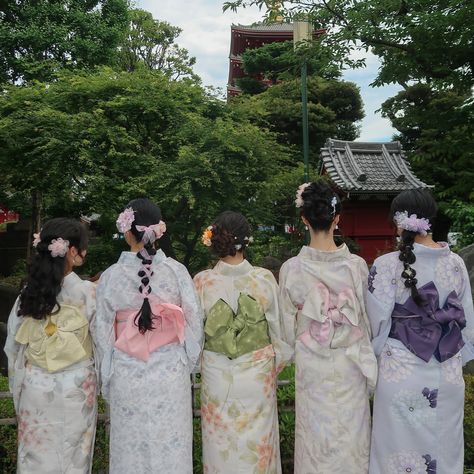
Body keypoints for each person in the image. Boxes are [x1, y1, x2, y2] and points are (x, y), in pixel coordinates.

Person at [367, 189, 474, 474]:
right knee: (444, 455)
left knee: (395, 456)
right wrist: (453, 357)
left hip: (399, 373)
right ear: (431, 219)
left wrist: (376, 355)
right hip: (446, 372)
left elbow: (376, 322)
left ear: (398, 223)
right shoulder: (456, 264)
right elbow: (467, 324)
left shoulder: (386, 265)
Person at [94, 198, 203, 474]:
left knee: (130, 450)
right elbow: (194, 323)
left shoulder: (111, 276)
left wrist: (106, 376)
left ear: (128, 231)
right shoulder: (176, 272)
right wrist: (186, 362)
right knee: (171, 447)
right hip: (170, 375)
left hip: (126, 373)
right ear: (159, 231)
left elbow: (102, 332)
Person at [279, 182, 377, 474]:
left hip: (313, 367)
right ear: (337, 218)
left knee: (315, 442)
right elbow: (368, 323)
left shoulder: (291, 269)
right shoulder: (357, 266)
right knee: (352, 440)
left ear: (304, 219)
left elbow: (286, 331)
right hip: (351, 363)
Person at [194, 211, 292, 474]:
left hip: (217, 375)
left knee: (219, 445)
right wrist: (275, 361)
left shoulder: (203, 281)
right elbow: (279, 331)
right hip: (257, 375)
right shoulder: (263, 279)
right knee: (258, 446)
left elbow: (194, 338)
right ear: (246, 241)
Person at [4, 218, 97, 473]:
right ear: (72, 252)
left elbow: (13, 347)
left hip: (35, 385)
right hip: (77, 387)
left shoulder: (29, 293)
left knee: (36, 457)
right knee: (74, 460)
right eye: (83, 248)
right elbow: (103, 344)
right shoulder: (88, 292)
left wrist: (18, 385)